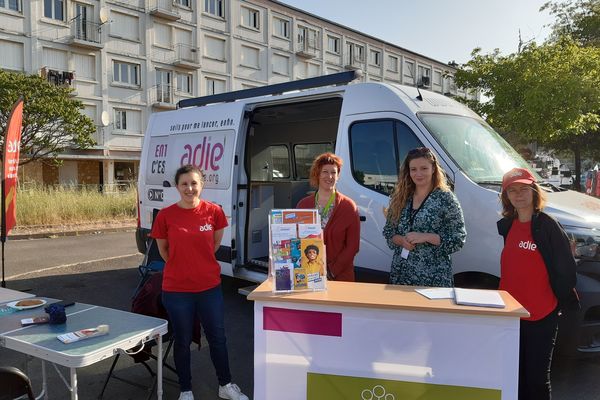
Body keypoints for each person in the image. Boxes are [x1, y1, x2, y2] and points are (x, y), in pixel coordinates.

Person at [151, 164, 248, 400]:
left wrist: (198, 262)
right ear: (177, 187)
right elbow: (163, 250)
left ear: (202, 185)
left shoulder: (214, 212)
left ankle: (226, 386)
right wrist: (182, 264)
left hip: (209, 288)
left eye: (194, 183)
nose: (189, 188)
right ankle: (186, 390)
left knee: (217, 338)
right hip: (176, 290)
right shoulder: (166, 215)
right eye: (184, 183)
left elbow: (213, 245)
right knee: (182, 340)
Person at [497, 167, 579, 400]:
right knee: (515, 377)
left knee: (536, 380)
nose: (518, 194)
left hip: (541, 315)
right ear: (506, 197)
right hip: (511, 316)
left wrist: (556, 303)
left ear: (534, 191)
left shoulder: (547, 225)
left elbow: (566, 271)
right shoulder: (507, 225)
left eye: (523, 189)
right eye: (512, 190)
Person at [383, 147, 466, 287]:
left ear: (433, 169)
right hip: (401, 275)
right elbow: (389, 232)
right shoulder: (401, 197)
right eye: (413, 169)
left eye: (424, 168)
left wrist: (426, 237)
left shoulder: (446, 199)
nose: (418, 174)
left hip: (433, 279)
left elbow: (458, 238)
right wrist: (402, 241)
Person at [296, 152, 360, 281]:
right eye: (325, 171)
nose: (329, 176)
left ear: (338, 176)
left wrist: (332, 271)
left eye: (334, 172)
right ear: (317, 174)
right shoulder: (303, 205)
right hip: (308, 274)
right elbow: (295, 239)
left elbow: (353, 246)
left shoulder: (349, 206)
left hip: (339, 276)